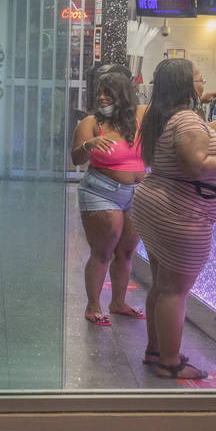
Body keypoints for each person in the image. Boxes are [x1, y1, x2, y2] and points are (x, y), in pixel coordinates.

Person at [129, 58, 216, 379]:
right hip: (179, 214)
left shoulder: (163, 116)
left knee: (162, 286)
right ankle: (169, 363)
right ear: (186, 86)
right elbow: (196, 164)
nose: (203, 84)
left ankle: (156, 350)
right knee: (175, 291)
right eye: (199, 79)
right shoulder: (186, 119)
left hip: (156, 206)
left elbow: (185, 144)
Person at [70, 72, 147, 327]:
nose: (101, 96)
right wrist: (88, 145)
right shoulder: (90, 123)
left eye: (108, 92)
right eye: (99, 92)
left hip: (135, 195)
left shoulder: (139, 118)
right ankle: (93, 306)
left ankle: (118, 303)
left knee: (126, 252)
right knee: (102, 252)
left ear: (123, 96)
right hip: (101, 192)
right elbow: (76, 159)